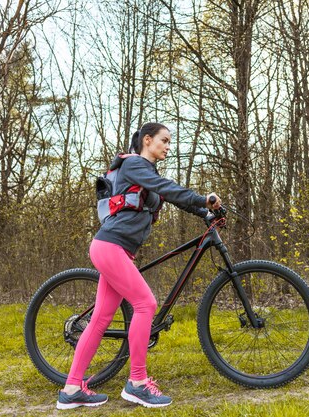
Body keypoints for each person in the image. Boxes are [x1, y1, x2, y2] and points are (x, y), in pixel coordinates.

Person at [56, 122, 221, 409]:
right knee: (146, 304)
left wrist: (203, 210)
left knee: (100, 319)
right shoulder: (134, 165)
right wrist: (201, 197)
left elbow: (169, 196)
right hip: (111, 246)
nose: (168, 146)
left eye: (170, 142)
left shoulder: (144, 173)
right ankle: (137, 382)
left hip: (115, 249)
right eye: (164, 140)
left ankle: (71, 389)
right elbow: (166, 188)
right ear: (147, 140)